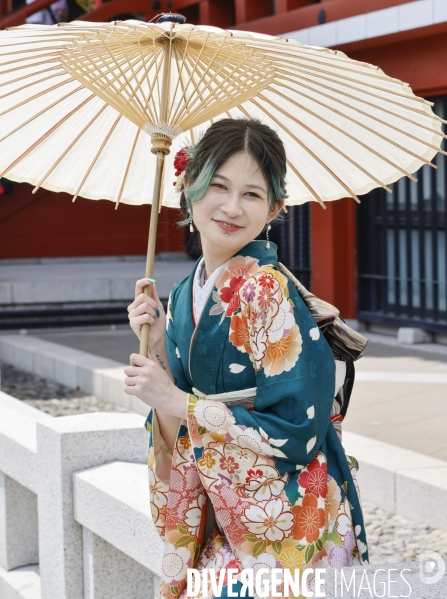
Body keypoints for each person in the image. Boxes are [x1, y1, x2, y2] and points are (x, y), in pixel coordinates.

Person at [125, 119, 369, 599]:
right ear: (187, 187)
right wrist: (154, 345)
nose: (232, 207)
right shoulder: (179, 294)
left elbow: (297, 432)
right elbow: (178, 415)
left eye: (252, 195)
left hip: (281, 516)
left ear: (275, 208)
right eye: (217, 186)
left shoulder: (266, 290)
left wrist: (179, 402)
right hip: (223, 502)